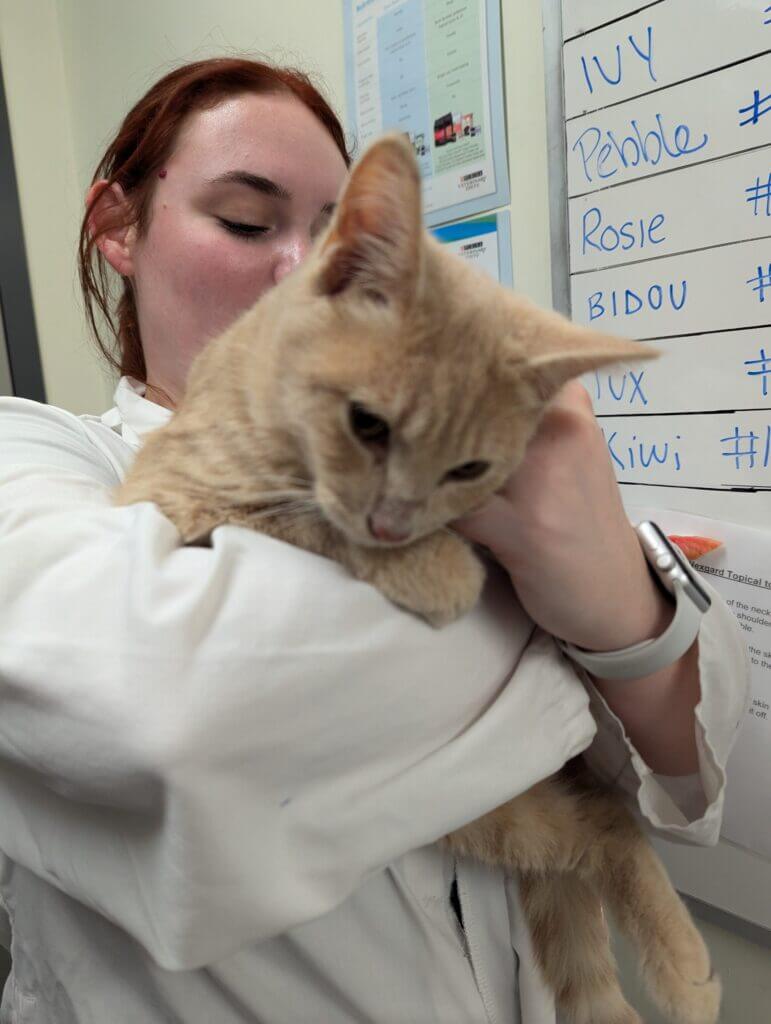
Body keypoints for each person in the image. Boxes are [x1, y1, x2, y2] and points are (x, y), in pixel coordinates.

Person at [0, 57, 749, 1024]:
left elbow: (685, 755)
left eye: (337, 238)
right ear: (116, 227)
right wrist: (588, 599)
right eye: (244, 220)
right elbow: (168, 713)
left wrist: (614, 608)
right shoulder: (34, 452)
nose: (302, 270)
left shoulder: (432, 432)